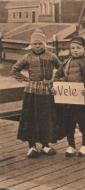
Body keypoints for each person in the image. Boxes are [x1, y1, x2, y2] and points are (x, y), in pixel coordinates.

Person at [11, 28, 61, 158]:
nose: (37, 46)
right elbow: (14, 70)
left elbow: (61, 70)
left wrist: (53, 80)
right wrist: (25, 79)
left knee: (46, 117)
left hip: (47, 92)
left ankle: (45, 145)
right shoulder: (26, 57)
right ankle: (32, 146)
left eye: (40, 44)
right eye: (35, 44)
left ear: (44, 44)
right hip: (31, 92)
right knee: (30, 117)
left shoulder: (51, 56)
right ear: (31, 45)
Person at [54, 36, 85, 157]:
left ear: (84, 49)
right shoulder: (66, 62)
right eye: (72, 48)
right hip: (69, 98)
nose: (75, 50)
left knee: (84, 121)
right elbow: (57, 76)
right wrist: (57, 85)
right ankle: (71, 145)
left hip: (83, 98)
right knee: (69, 121)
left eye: (78, 48)